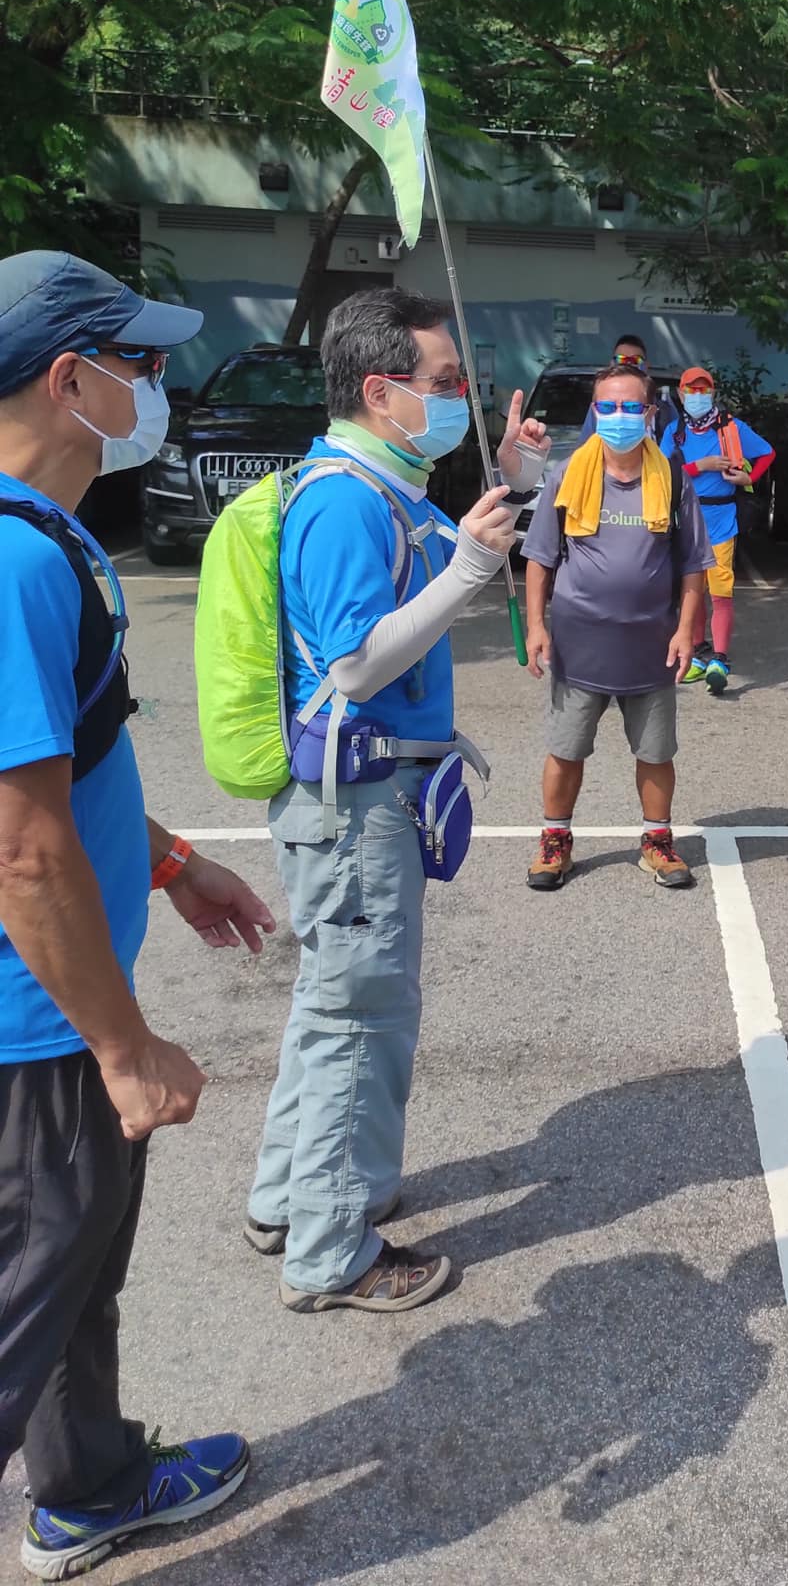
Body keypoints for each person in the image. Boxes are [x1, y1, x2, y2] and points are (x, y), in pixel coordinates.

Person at [0, 251, 278, 1579]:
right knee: (34, 1285)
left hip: (53, 1011)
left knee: (80, 1269)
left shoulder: (40, 542)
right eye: (143, 363)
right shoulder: (11, 563)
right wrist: (119, 1047)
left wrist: (171, 866)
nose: (157, 387)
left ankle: (93, 1486)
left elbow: (71, 778)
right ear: (71, 379)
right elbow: (23, 847)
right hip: (35, 1033)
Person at [246, 289, 546, 1314]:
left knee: (334, 1008)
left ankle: (293, 1199)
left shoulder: (383, 481)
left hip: (369, 795)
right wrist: (469, 567)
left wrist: (502, 481)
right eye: (445, 381)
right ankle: (331, 1249)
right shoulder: (341, 498)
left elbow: (440, 548)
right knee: (359, 1018)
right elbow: (357, 664)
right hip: (356, 799)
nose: (458, 394)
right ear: (381, 389)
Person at [524, 361, 712, 894]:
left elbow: (694, 565)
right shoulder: (567, 475)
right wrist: (538, 625)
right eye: (608, 406)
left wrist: (685, 633)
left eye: (632, 406)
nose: (620, 416)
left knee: (655, 752)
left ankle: (656, 843)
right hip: (578, 645)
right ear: (594, 411)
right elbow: (540, 558)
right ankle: (555, 841)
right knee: (566, 749)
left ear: (651, 413)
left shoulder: (673, 479)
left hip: (652, 643)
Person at [660, 365, 774, 694]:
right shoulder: (675, 431)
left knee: (720, 591)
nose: (697, 396)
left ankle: (720, 659)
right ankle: (698, 653)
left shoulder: (730, 429)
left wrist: (749, 478)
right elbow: (664, 471)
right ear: (680, 394)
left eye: (703, 390)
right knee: (690, 591)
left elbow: (767, 452)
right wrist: (702, 466)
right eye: (691, 390)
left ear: (713, 394)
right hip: (685, 520)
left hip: (721, 518)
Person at [577, 334, 679, 444]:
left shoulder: (663, 407)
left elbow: (676, 447)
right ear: (612, 364)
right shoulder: (601, 406)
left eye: (635, 360)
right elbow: (585, 447)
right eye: (621, 359)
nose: (628, 365)